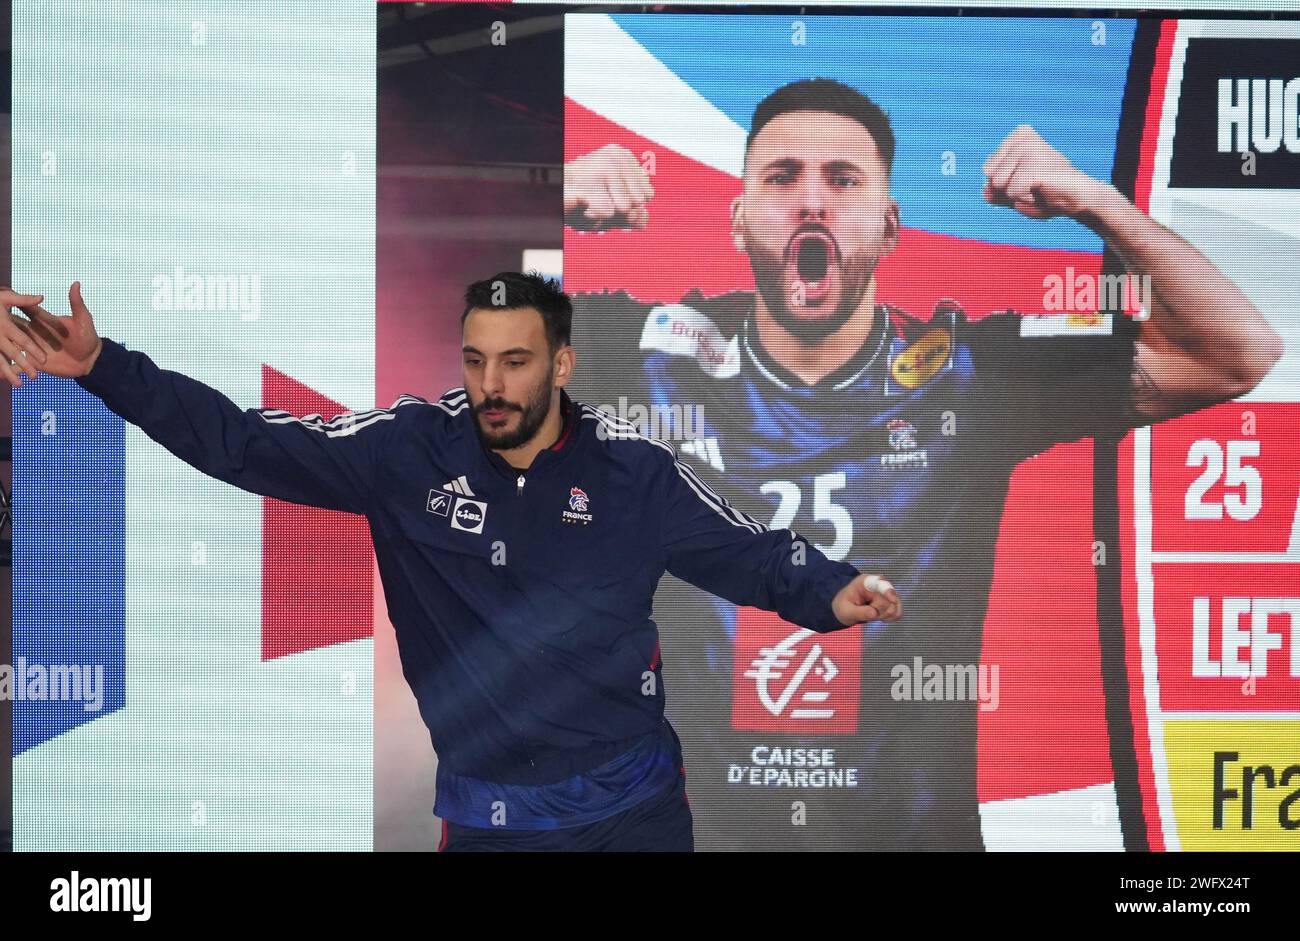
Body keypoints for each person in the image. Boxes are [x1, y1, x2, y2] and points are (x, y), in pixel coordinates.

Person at [561, 77, 1283, 850]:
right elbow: (468, 379)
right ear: (738, 221)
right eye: (782, 178)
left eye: (843, 180)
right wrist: (558, 200)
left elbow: (1237, 351)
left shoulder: (970, 375)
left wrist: (1094, 202)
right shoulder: (648, 358)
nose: (813, 203)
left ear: (890, 225)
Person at [0, 271, 900, 852]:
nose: (492, 385)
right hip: (490, 817)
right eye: (475, 360)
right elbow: (242, 442)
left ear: (562, 362)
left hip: (634, 811)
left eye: (515, 361)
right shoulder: (407, 449)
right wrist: (102, 367)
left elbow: (746, 548)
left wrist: (831, 587)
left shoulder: (632, 468)